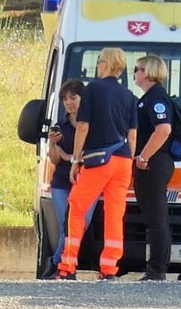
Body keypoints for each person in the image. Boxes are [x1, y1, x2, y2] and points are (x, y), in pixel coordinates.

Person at [56, 47, 137, 281]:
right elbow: (132, 134)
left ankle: (68, 265)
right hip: (123, 160)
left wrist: (75, 159)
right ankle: (110, 268)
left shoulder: (93, 89)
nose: (97, 64)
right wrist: (129, 162)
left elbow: (83, 126)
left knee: (76, 207)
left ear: (107, 64)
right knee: (114, 213)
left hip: (98, 159)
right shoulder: (128, 95)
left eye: (99, 60)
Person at [40, 79, 96, 280]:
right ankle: (66, 266)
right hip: (62, 183)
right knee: (67, 224)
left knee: (81, 224)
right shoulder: (59, 126)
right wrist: (54, 147)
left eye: (73, 97)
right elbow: (54, 159)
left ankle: (56, 261)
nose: (69, 103)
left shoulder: (92, 125)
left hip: (87, 180)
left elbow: (87, 154)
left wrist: (69, 156)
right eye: (65, 99)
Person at [132, 55, 176, 281]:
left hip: (154, 162)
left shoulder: (156, 98)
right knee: (155, 217)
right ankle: (156, 268)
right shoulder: (149, 98)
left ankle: (156, 269)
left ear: (147, 72)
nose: (134, 73)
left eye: (137, 69)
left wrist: (143, 157)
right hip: (154, 161)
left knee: (156, 219)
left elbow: (164, 129)